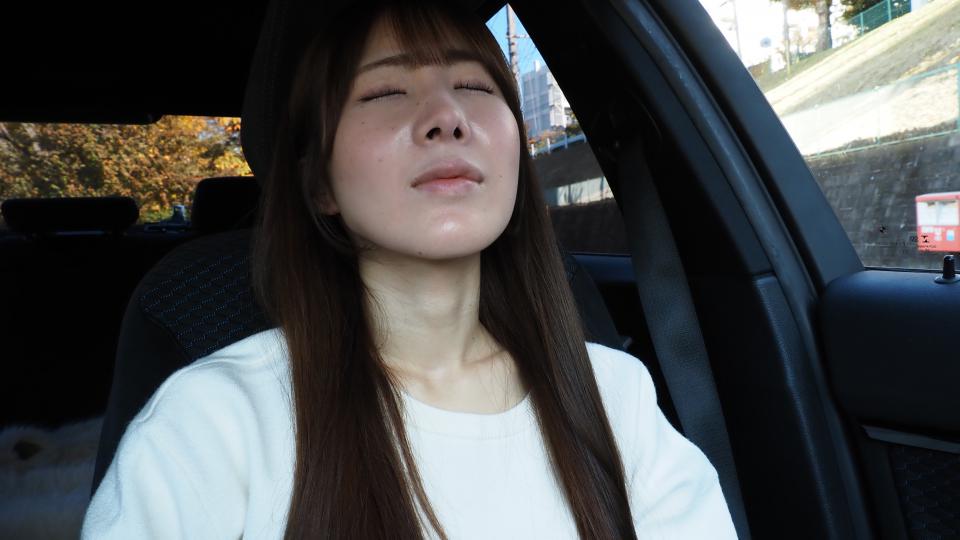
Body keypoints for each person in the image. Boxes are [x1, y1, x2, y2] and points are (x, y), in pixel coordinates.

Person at [81, 1, 738, 538]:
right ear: (319, 185)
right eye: (386, 92)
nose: (447, 118)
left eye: (474, 87)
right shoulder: (211, 426)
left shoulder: (616, 397)